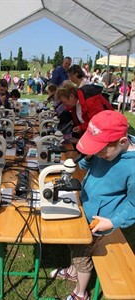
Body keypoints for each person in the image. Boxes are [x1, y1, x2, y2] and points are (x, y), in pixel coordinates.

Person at [50, 110, 135, 300]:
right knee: (74, 246)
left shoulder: (133, 168)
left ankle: (80, 294)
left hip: (97, 222)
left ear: (122, 142)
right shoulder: (108, 149)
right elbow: (88, 167)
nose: (98, 153)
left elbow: (133, 204)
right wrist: (89, 158)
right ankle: (72, 272)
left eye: (101, 150)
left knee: (82, 256)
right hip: (84, 207)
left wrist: (113, 222)